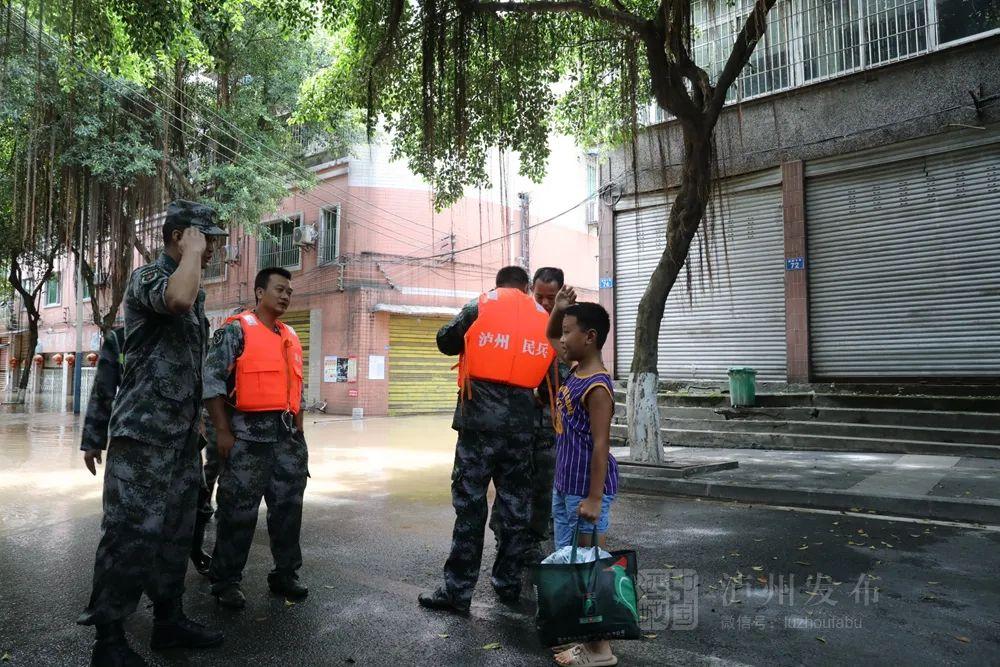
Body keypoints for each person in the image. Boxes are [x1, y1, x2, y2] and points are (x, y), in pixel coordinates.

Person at [78, 200, 228, 666]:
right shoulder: (150, 279)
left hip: (182, 442)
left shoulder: (196, 295)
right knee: (129, 536)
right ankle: (109, 639)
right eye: (207, 239)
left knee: (175, 537)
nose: (212, 251)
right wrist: (94, 433)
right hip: (142, 439)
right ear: (181, 235)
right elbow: (177, 300)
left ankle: (169, 621)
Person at [419, 266, 555, 614]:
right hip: (522, 429)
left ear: (498, 284)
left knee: (470, 507)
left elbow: (444, 341)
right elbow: (555, 371)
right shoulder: (543, 317)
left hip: (478, 425)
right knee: (514, 510)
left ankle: (458, 592)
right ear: (526, 288)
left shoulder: (481, 304)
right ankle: (507, 585)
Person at [204, 267, 309, 609]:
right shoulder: (236, 332)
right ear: (259, 292)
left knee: (288, 511)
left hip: (286, 440)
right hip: (247, 440)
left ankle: (285, 574)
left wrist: (300, 439)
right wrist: (221, 431)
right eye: (279, 289)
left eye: (289, 291)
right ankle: (225, 581)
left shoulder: (290, 336)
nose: (285, 296)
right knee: (238, 513)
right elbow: (212, 384)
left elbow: (298, 392)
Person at [81, 326, 218, 578]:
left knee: (197, 503)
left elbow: (203, 385)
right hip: (136, 444)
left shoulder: (186, 334)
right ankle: (115, 600)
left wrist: (207, 427)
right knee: (128, 520)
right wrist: (93, 441)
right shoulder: (120, 339)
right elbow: (103, 390)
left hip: (182, 442)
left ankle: (194, 553)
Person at [545, 289, 619, 667]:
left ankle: (600, 649)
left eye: (569, 331)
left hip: (584, 492)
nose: (562, 338)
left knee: (588, 568)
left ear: (589, 337)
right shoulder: (575, 371)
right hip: (565, 486)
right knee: (570, 565)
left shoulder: (598, 386)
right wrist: (558, 310)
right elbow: (548, 338)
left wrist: (593, 498)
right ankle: (589, 644)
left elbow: (601, 445)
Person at [488, 266, 568, 565]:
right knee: (512, 483)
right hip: (516, 422)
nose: (545, 303)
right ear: (530, 291)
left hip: (550, 424)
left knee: (544, 484)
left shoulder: (568, 324)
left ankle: (533, 542)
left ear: (561, 294)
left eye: (552, 297)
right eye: (539, 296)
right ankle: (503, 535)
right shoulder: (518, 319)